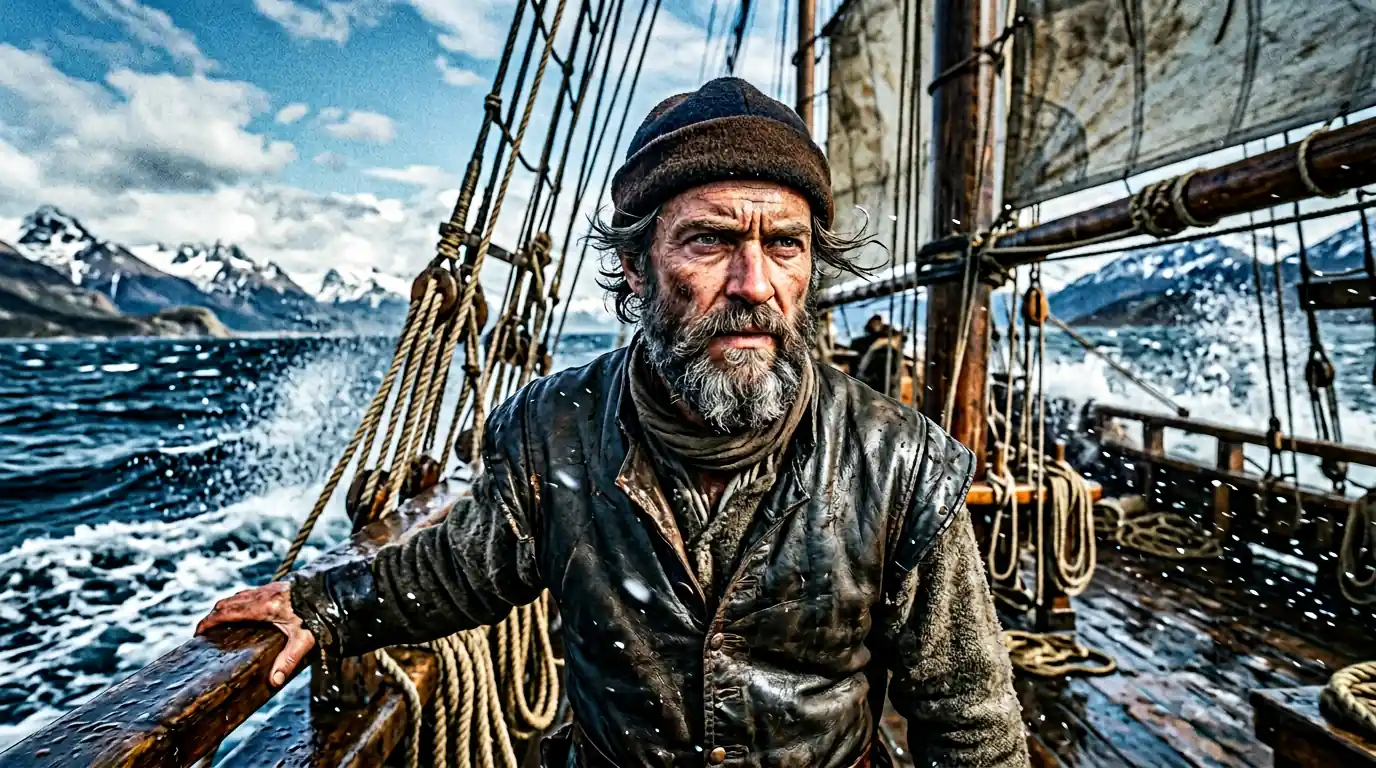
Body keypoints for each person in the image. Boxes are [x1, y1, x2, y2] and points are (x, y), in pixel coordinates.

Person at [197, 77, 1027, 768]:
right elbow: (463, 567)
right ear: (634, 265)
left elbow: (970, 722)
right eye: (710, 241)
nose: (754, 283)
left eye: (785, 245)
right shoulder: (551, 431)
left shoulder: (899, 462)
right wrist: (326, 607)